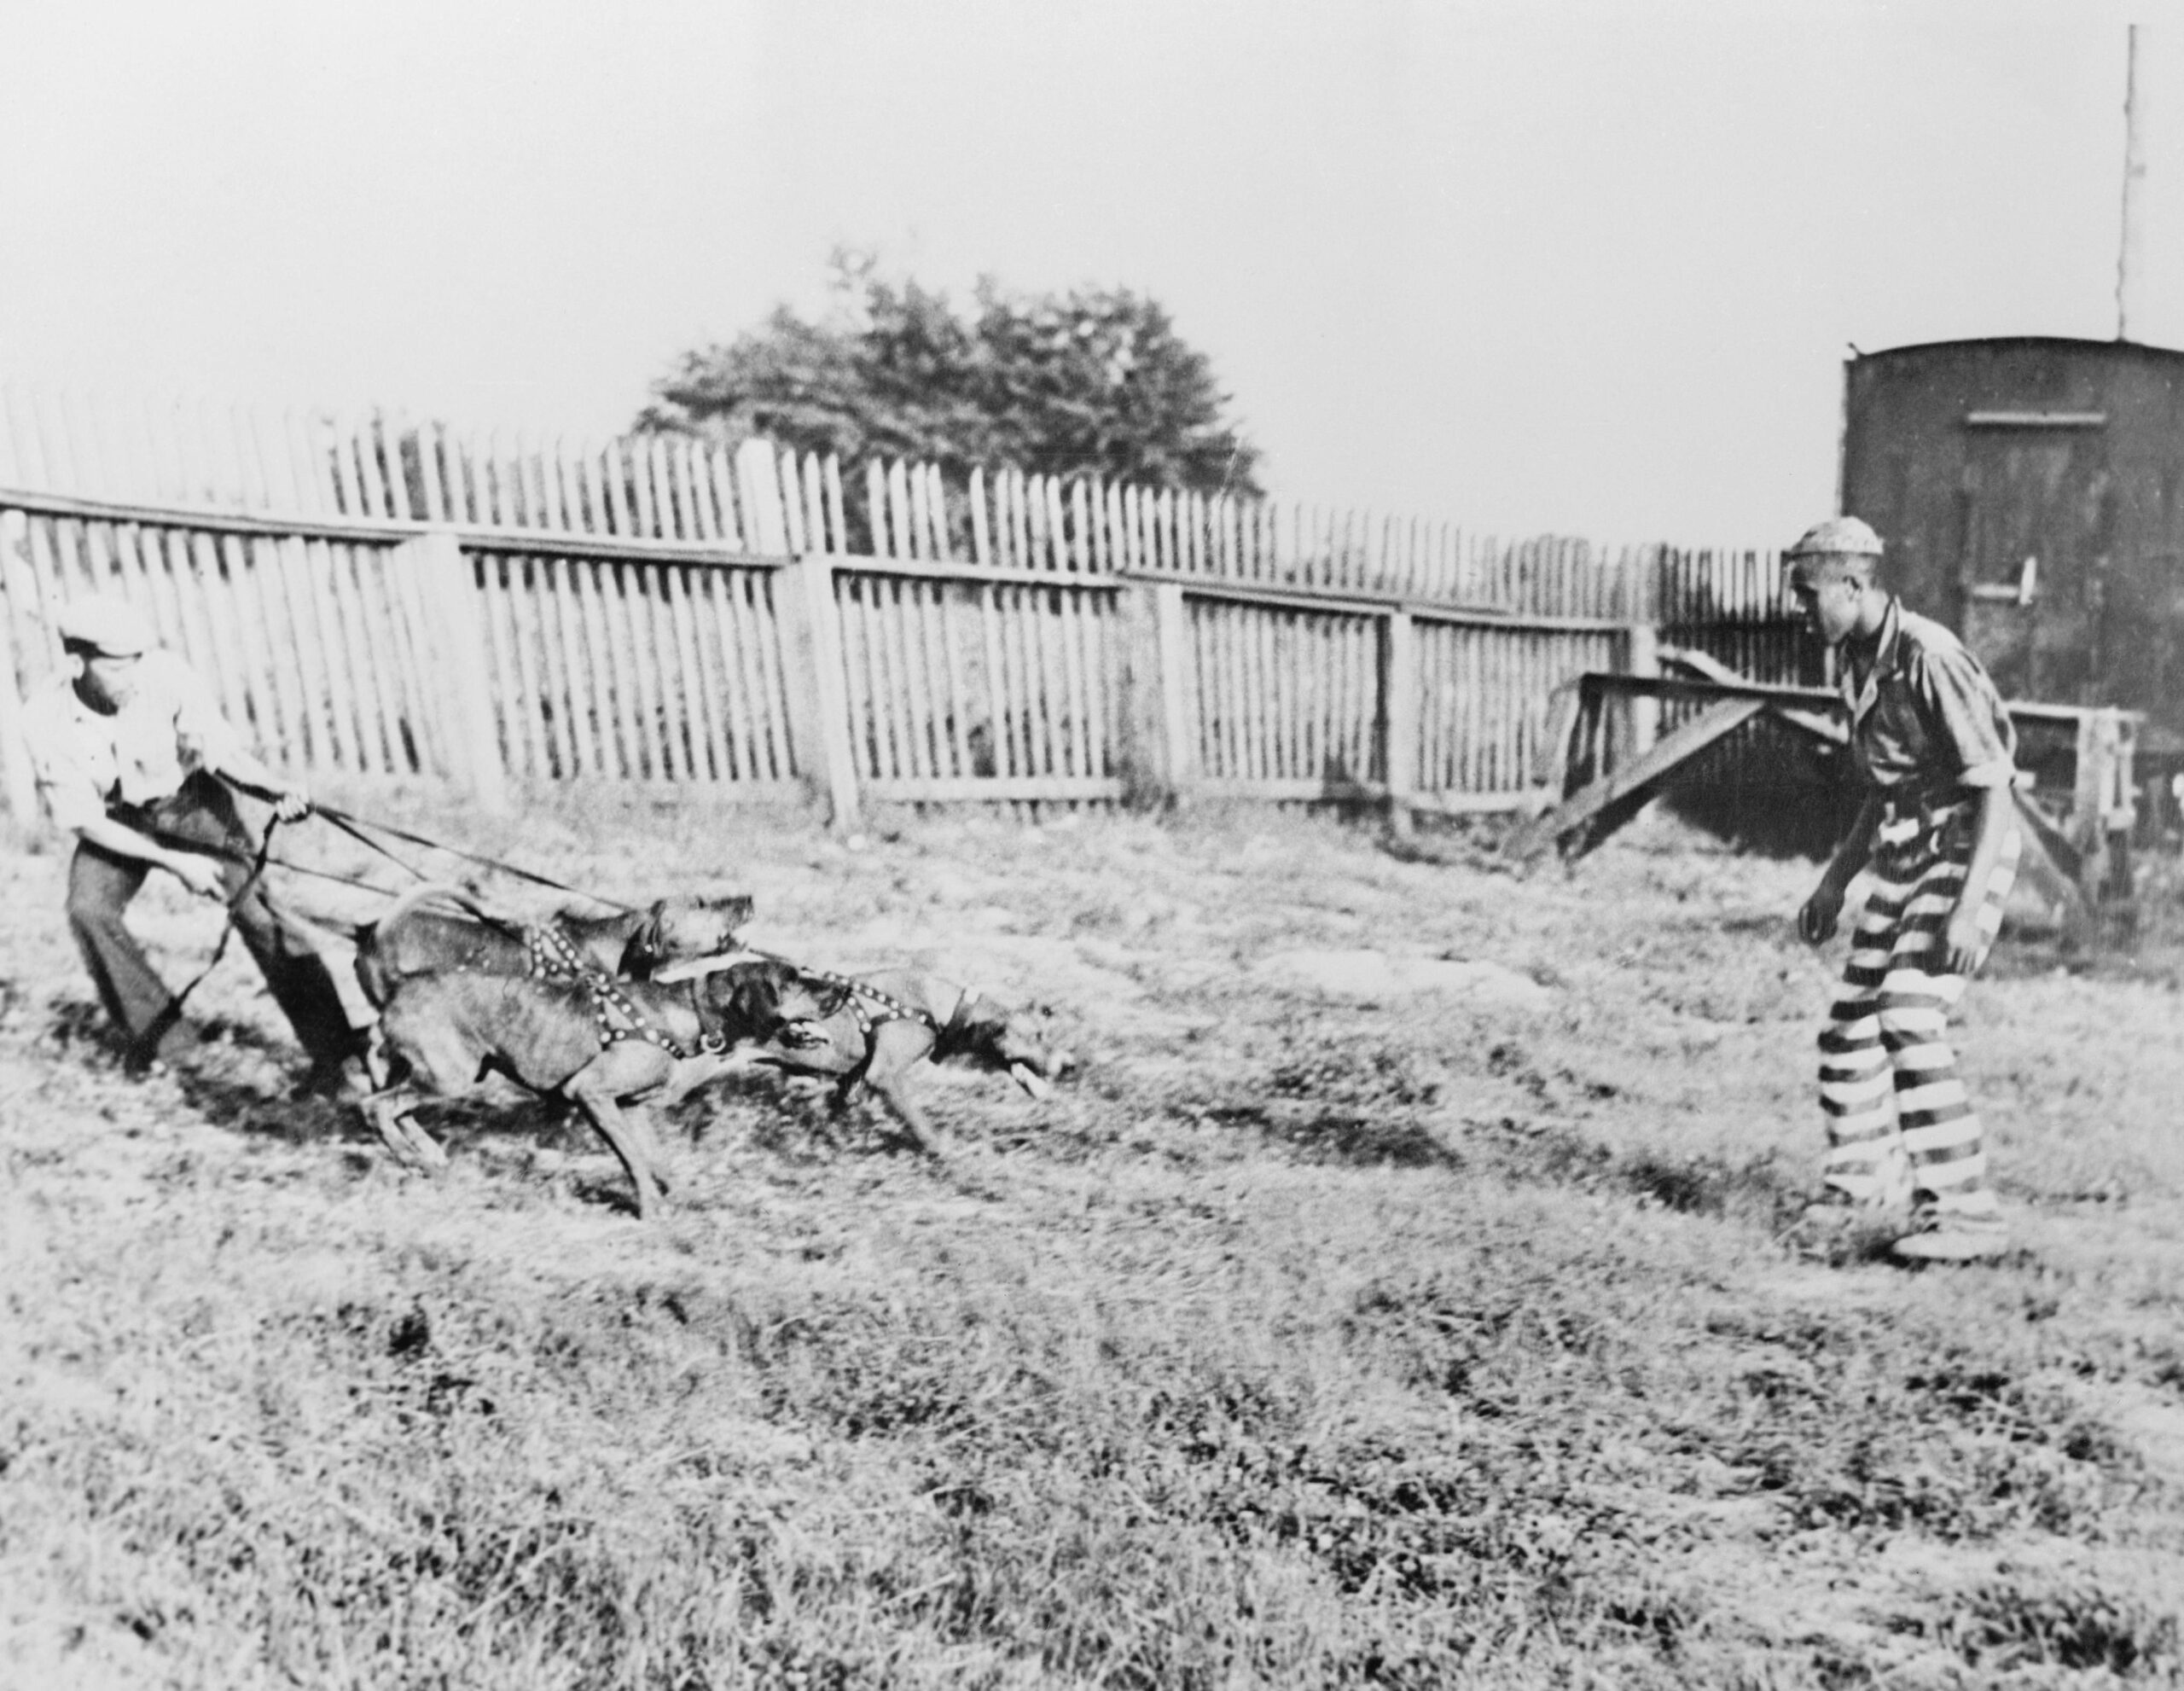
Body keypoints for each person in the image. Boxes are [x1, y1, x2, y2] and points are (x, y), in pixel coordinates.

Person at [20, 592, 371, 1092]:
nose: (134, 678)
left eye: (137, 663)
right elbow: (86, 821)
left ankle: (338, 1057)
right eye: (118, 668)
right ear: (77, 663)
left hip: (191, 802)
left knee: (260, 914)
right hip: (117, 821)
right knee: (88, 909)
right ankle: (170, 1049)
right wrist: (175, 863)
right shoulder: (43, 718)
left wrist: (272, 789)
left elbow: (219, 751)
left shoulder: (165, 675)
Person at [1787, 516, 2023, 1263]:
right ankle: (1860, 1184)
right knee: (1845, 1032)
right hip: (1904, 849)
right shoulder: (1854, 663)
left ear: (1854, 585)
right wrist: (1834, 882)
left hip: (1966, 844)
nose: (1798, 609)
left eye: (1807, 592)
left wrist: (1963, 908)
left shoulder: (1929, 655)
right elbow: (1881, 791)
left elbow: (1994, 789)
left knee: (1909, 1009)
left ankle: (1964, 1210)